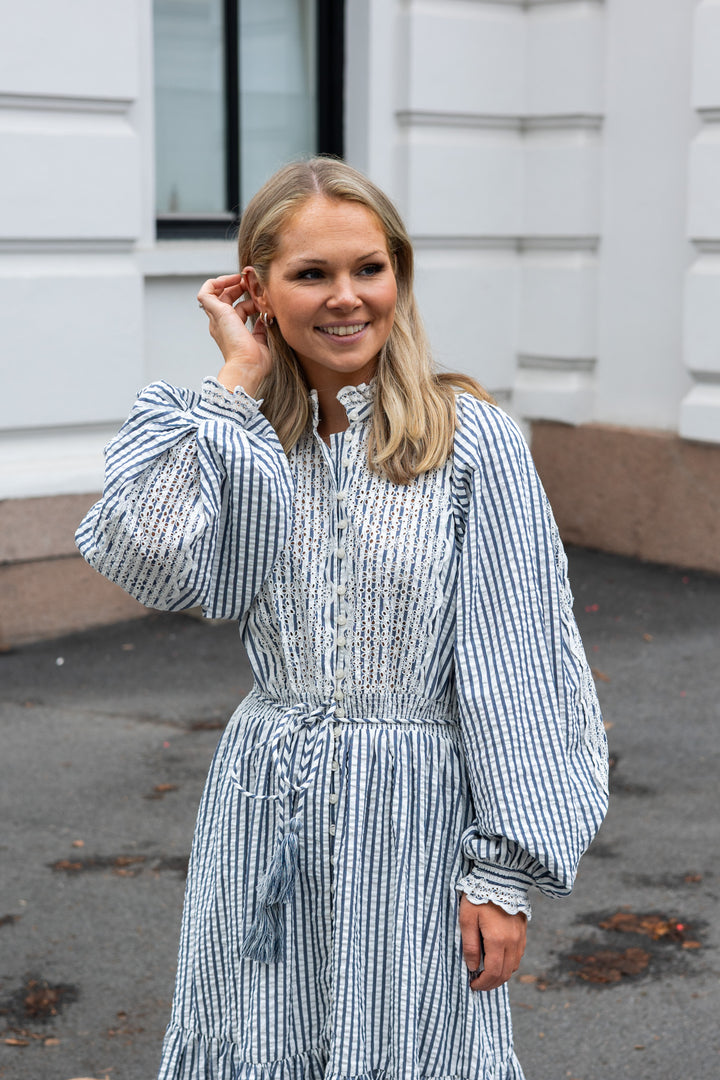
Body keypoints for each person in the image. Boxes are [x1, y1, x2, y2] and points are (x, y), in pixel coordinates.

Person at [76, 156, 609, 1080]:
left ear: (398, 274)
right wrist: (234, 382)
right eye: (311, 274)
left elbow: (523, 664)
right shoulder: (233, 438)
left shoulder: (467, 439)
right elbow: (145, 558)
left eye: (369, 267)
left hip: (416, 821)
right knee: (254, 1042)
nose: (346, 298)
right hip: (264, 806)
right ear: (257, 290)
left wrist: (506, 873)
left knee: (410, 1052)